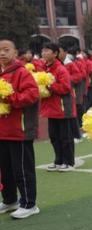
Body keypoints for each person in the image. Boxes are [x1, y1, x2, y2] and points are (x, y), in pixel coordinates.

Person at [0, 37, 40, 219]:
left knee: (22, 169)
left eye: (6, 49)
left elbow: (32, 95)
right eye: (0, 50)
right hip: (2, 131)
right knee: (5, 169)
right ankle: (9, 200)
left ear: (15, 53)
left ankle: (29, 203)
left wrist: (9, 97)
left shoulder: (21, 72)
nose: (2, 53)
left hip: (19, 131)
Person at [41, 42, 76, 172]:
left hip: (62, 109)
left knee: (65, 137)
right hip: (50, 109)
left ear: (55, 54)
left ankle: (69, 162)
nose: (44, 53)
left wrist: (50, 85)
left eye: (47, 50)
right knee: (54, 137)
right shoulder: (44, 69)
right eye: (43, 50)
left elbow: (66, 88)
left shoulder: (61, 69)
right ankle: (58, 160)